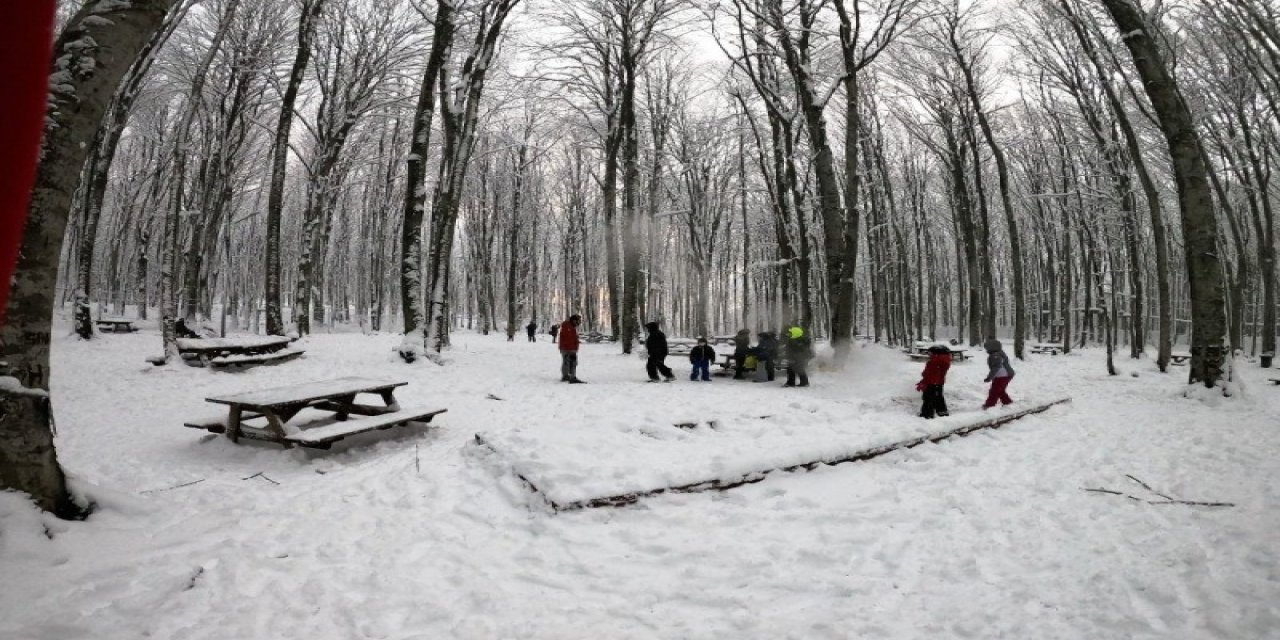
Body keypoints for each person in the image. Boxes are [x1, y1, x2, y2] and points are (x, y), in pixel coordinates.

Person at [917, 344, 952, 418]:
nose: (929, 354)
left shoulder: (934, 361)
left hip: (931, 382)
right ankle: (942, 411)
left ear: (936, 353)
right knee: (938, 396)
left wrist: (923, 381)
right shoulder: (945, 360)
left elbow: (928, 373)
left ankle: (927, 414)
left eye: (930, 353)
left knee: (928, 398)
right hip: (939, 382)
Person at [982, 338, 1015, 408]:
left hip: (1003, 376)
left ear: (991, 347)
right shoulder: (998, 353)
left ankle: (989, 405)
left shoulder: (995, 355)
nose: (986, 350)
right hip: (1004, 375)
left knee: (994, 391)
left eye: (987, 348)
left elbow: (996, 367)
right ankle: (1007, 402)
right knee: (1000, 390)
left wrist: (989, 377)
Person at [559, 315, 584, 383]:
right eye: (578, 321)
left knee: (569, 362)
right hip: (567, 349)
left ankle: (567, 376)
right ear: (574, 321)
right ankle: (570, 377)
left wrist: (576, 343)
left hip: (569, 348)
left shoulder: (571, 327)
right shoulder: (568, 327)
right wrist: (572, 350)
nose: (579, 323)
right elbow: (568, 339)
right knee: (570, 362)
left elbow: (572, 338)